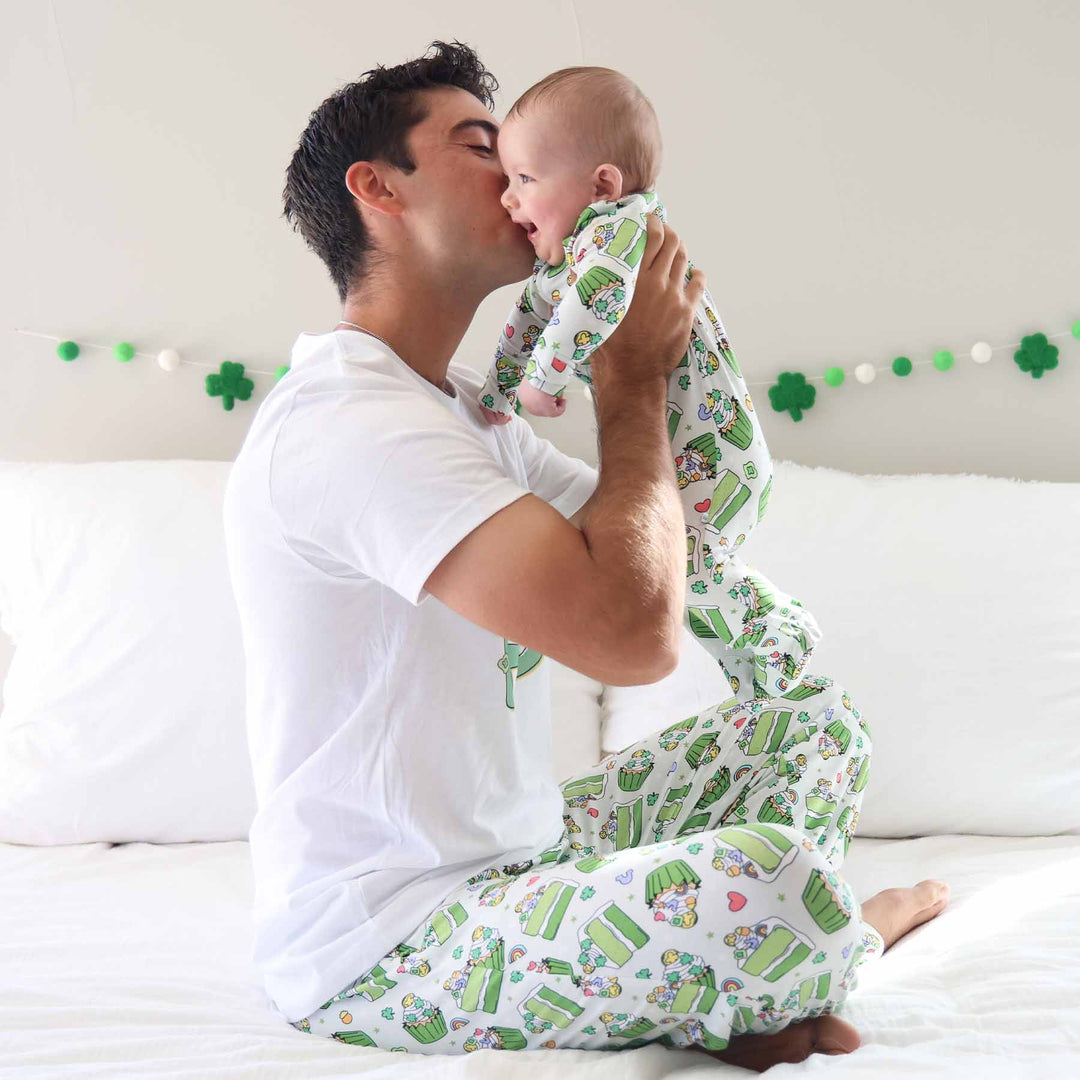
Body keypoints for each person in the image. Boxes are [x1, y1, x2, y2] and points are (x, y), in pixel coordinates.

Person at [222, 39, 949, 1070]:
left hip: (528, 855)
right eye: (487, 148)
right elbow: (630, 633)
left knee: (815, 734)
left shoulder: (467, 413)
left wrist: (687, 361)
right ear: (379, 187)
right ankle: (818, 944)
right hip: (391, 943)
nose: (522, 171)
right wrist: (630, 377)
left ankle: (761, 977)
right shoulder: (349, 427)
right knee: (777, 884)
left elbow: (671, 553)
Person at [476, 65, 823, 707]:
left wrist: (544, 377)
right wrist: (498, 392)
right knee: (683, 571)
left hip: (718, 458)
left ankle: (779, 640)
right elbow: (530, 316)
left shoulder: (619, 234)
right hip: (687, 453)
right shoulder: (567, 257)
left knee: (685, 570)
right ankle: (764, 663)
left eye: (524, 179)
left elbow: (597, 304)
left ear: (602, 183)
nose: (508, 198)